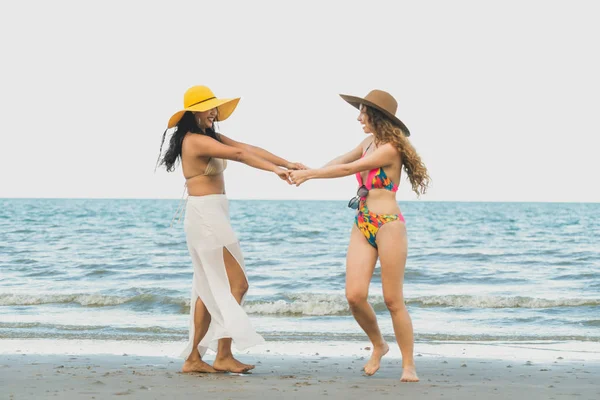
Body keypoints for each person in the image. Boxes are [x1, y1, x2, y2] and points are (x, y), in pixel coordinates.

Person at [156, 85, 304, 374]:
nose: (214, 112)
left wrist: (285, 162)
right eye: (209, 107)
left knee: (206, 288)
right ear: (195, 111)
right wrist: (274, 171)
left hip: (212, 214)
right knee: (237, 284)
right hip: (206, 216)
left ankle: (195, 359)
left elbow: (247, 148)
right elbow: (237, 154)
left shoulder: (208, 137)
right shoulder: (194, 141)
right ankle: (222, 354)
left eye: (215, 107)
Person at [289, 90, 429, 382]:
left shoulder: (391, 148)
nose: (358, 117)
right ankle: (379, 344)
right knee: (354, 296)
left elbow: (351, 168)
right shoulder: (368, 143)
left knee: (393, 300)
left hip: (389, 224)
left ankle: (408, 365)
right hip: (363, 222)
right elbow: (342, 160)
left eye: (363, 112)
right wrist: (308, 169)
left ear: (375, 116)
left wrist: (311, 176)